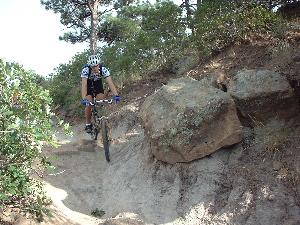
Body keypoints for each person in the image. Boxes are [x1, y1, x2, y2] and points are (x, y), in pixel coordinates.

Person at [80, 54, 120, 133]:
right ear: (90, 66)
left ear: (99, 64)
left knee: (100, 100)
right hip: (88, 84)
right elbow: (84, 85)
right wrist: (84, 99)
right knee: (89, 103)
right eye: (93, 66)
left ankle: (99, 117)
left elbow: (110, 82)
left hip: (98, 84)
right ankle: (88, 123)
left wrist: (116, 95)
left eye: (96, 66)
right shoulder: (85, 70)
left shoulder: (103, 69)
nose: (94, 68)